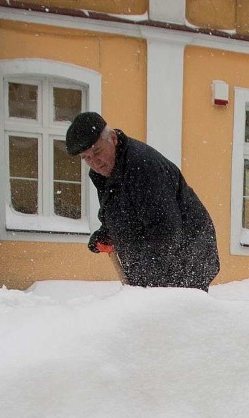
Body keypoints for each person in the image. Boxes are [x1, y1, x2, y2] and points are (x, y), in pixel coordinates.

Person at [66, 112, 220, 291]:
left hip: (187, 256)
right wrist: (108, 233)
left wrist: (144, 280)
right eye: (86, 158)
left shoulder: (143, 167)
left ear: (113, 139)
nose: (95, 162)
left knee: (173, 313)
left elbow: (166, 230)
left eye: (97, 152)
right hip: (159, 253)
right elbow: (120, 211)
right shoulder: (106, 171)